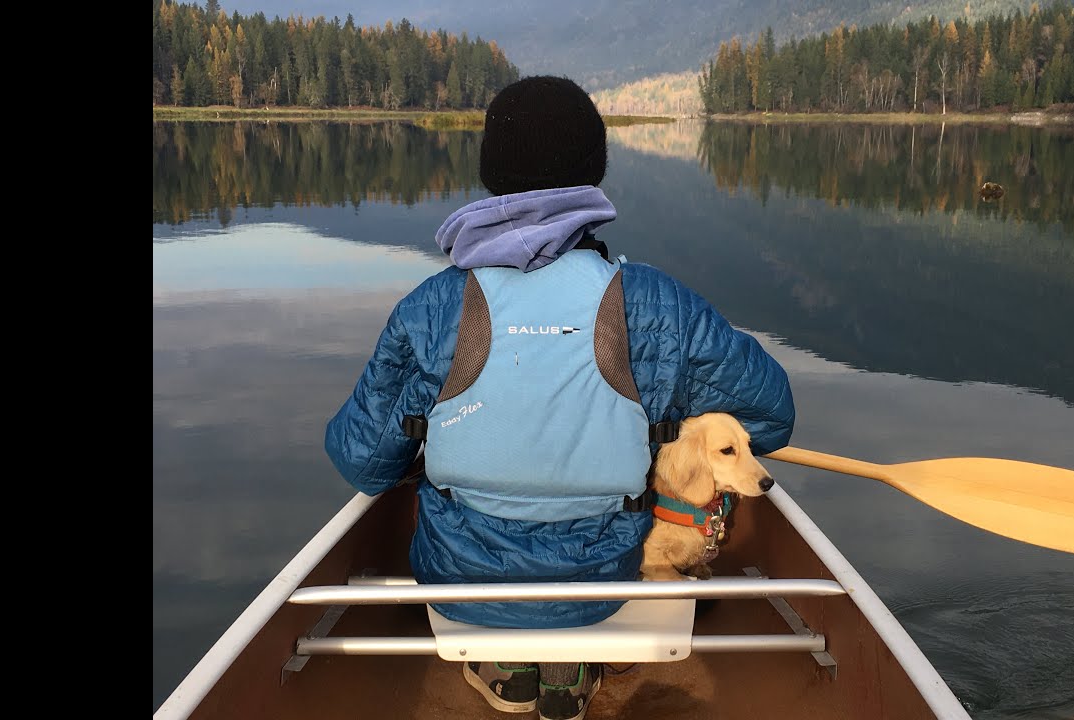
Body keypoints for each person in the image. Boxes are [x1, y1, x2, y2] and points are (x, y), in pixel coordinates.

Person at [323, 75, 795, 720]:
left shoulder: (429, 310)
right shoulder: (658, 306)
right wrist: (659, 416)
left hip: (460, 582)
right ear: (593, 171)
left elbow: (361, 461)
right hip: (600, 582)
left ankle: (508, 667)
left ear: (491, 174)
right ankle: (572, 664)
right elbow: (771, 413)